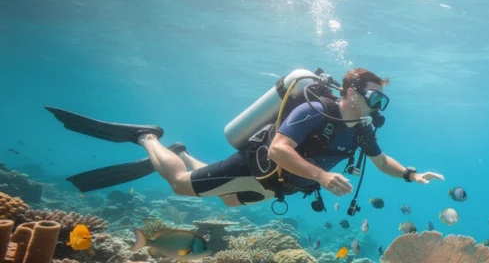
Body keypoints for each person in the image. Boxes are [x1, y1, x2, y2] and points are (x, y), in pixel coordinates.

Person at [46, 67, 443, 208]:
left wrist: (410, 174)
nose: (379, 104)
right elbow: (278, 149)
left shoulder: (362, 130)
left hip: (277, 188)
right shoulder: (312, 112)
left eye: (381, 98)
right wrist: (322, 177)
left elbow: (381, 161)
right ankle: (148, 138)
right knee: (182, 189)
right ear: (351, 93)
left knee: (231, 203)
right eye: (375, 95)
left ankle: (182, 151)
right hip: (258, 169)